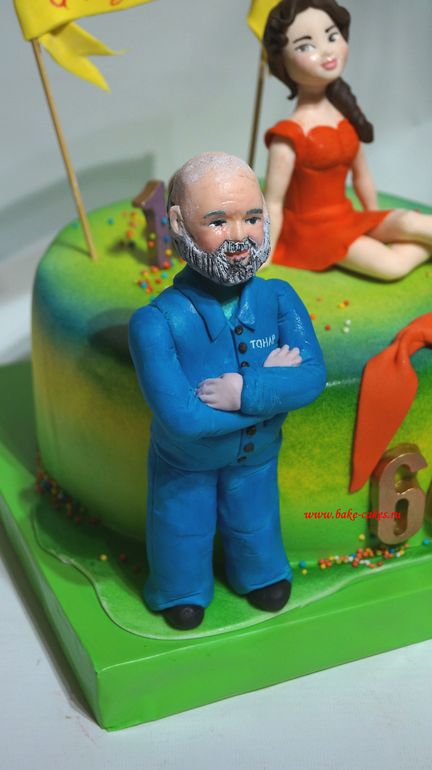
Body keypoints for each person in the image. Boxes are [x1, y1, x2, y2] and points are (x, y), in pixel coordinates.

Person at [129, 152, 326, 630]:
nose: (239, 237)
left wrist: (245, 390)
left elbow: (312, 377)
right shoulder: (155, 322)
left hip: (257, 459)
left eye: (252, 218)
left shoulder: (279, 298)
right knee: (181, 526)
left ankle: (261, 575)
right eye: (217, 221)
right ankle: (180, 589)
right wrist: (272, 390)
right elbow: (183, 418)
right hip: (184, 464)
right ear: (179, 224)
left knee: (256, 518)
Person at [263, 0, 432, 280]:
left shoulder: (347, 114)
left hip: (347, 215)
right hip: (314, 231)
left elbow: (362, 175)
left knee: (410, 222)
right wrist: (267, 252)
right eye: (306, 46)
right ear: (282, 62)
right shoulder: (288, 135)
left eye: (332, 36)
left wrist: (375, 220)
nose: (326, 50)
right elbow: (273, 202)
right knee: (391, 266)